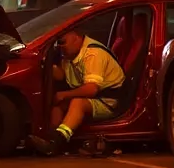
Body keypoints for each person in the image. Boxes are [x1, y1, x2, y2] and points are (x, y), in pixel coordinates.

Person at [27, 27, 125, 156]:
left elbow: (91, 89)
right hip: (95, 98)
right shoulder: (70, 55)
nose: (60, 46)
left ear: (76, 37)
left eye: (63, 42)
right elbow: (64, 76)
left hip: (108, 101)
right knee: (59, 104)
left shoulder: (93, 54)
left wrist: (64, 94)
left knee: (77, 103)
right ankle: (50, 137)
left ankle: (58, 141)